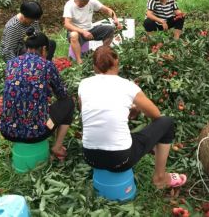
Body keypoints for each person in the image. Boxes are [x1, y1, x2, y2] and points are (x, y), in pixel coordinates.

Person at [78, 46, 187, 189]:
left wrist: (126, 111)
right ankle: (160, 178)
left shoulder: (84, 84)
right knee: (166, 123)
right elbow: (156, 115)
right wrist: (135, 109)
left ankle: (149, 148)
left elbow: (85, 111)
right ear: (117, 62)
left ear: (94, 67)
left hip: (90, 157)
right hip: (121, 160)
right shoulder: (127, 86)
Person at [0, 28, 74, 159]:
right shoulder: (47, 65)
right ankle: (57, 147)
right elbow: (62, 95)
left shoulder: (11, 63)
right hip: (36, 133)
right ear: (44, 49)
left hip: (7, 131)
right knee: (69, 102)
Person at [63, 0, 122, 64]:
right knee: (74, 35)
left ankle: (103, 53)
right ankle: (79, 61)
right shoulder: (69, 5)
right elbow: (67, 24)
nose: (86, 1)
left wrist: (116, 19)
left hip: (90, 29)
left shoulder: (91, 1)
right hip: (77, 31)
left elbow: (108, 10)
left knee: (109, 30)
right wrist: (83, 32)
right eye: (84, 0)